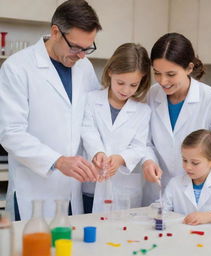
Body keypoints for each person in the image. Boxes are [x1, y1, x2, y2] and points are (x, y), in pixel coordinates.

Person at [0, 0, 102, 220]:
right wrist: (58, 161)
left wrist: (98, 152)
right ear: (55, 32)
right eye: (75, 47)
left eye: (87, 48)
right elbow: (11, 133)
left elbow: (91, 118)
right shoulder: (17, 67)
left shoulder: (84, 67)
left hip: (73, 189)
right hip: (34, 188)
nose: (82, 55)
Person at [142, 33, 211, 205]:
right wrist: (148, 160)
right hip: (159, 193)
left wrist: (208, 183)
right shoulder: (152, 94)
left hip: (199, 198)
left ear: (189, 68)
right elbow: (146, 141)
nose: (163, 81)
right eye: (157, 73)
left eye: (171, 74)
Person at [81, 43, 151, 213]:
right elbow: (88, 130)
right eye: (121, 83)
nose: (126, 90)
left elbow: (139, 146)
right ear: (110, 71)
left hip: (123, 189)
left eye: (133, 85)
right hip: (92, 184)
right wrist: (98, 153)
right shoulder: (90, 99)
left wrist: (120, 158)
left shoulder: (143, 110)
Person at [163, 129, 211, 225]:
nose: (187, 167)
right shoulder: (175, 183)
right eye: (184, 160)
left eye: (195, 163)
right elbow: (162, 209)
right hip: (180, 235)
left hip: (210, 237)